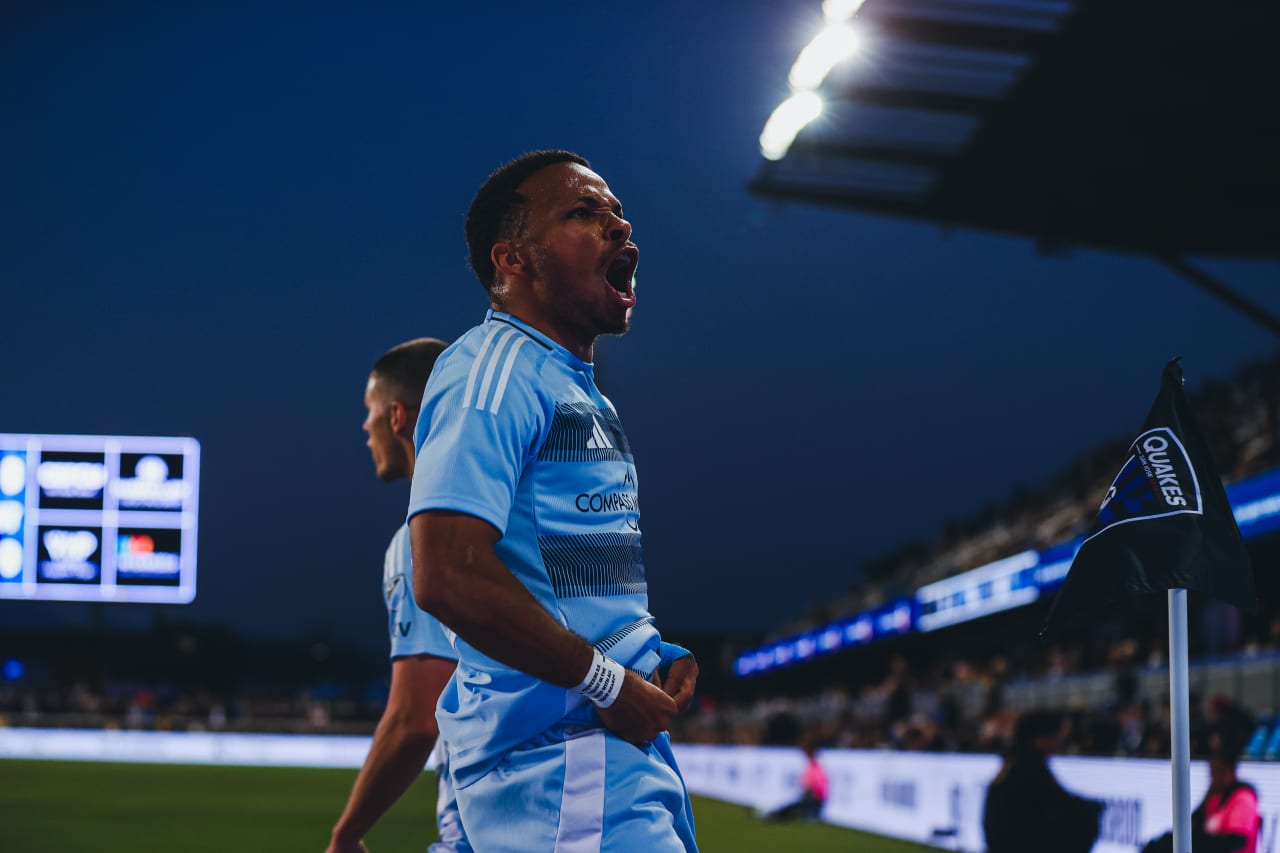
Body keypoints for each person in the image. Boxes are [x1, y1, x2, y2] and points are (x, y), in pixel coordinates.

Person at [407, 150, 699, 851]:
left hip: (593, 752)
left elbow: (559, 575)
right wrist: (608, 681)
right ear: (514, 260)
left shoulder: (569, 384)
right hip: (567, 763)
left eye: (616, 213)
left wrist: (648, 651)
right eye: (582, 213)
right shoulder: (492, 367)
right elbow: (446, 573)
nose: (618, 226)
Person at [328, 338, 470, 853]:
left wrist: (346, 835)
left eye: (368, 413)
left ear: (395, 416)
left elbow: (415, 718)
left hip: (489, 823)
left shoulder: (421, 539)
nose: (363, 430)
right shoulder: (512, 507)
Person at [982, 709, 1103, 853]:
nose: (1061, 740)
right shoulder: (1028, 771)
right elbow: (1058, 808)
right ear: (1040, 739)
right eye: (1057, 735)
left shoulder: (1015, 765)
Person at [1141, 727, 1261, 853]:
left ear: (1230, 771)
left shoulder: (1243, 797)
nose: (1213, 777)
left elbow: (1236, 840)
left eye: (1217, 772)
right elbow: (1193, 824)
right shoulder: (1215, 796)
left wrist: (1200, 844)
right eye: (1211, 772)